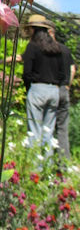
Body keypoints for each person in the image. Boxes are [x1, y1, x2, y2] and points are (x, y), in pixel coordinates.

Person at [22, 15, 65, 156]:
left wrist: (30, 89)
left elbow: (27, 72)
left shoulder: (32, 46)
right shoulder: (56, 47)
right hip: (54, 91)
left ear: (33, 29)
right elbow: (62, 73)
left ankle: (35, 168)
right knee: (48, 130)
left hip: (37, 89)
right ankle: (47, 165)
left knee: (35, 130)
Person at [45, 20, 76, 158]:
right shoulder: (65, 49)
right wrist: (68, 85)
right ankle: (64, 164)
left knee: (48, 127)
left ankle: (47, 161)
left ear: (50, 32)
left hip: (52, 89)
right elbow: (73, 68)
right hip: (64, 90)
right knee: (63, 128)